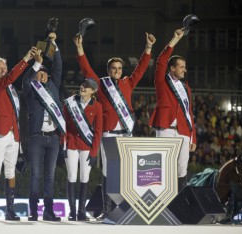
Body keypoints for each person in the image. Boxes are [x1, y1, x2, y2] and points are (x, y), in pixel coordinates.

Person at [74, 33, 156, 220]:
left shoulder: (128, 83)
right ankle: (107, 209)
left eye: (119, 68)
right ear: (109, 70)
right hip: (108, 134)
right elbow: (87, 71)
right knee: (108, 172)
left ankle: (124, 208)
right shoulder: (101, 85)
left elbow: (141, 69)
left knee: (125, 172)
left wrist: (148, 47)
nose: (117, 71)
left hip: (126, 134)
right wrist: (79, 49)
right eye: (113, 68)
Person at [0, 46, 37, 221]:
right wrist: (26, 58)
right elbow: (12, 76)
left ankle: (10, 210)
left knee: (11, 172)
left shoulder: (9, 88)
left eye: (3, 68)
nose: (1, 70)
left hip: (13, 134)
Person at [148, 28, 197, 192]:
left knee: (182, 169)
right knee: (163, 168)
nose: (184, 69)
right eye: (181, 66)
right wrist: (174, 40)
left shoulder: (186, 88)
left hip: (183, 132)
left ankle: (179, 204)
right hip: (166, 130)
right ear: (172, 68)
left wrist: (193, 138)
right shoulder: (162, 82)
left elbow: (189, 114)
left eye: (185, 66)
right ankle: (162, 204)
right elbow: (161, 61)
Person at [22, 32, 63, 222]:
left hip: (54, 138)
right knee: (35, 175)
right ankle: (33, 211)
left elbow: (58, 66)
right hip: (37, 137)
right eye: (40, 73)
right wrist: (36, 64)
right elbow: (26, 81)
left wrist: (53, 43)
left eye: (45, 73)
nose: (43, 76)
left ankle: (48, 211)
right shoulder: (31, 89)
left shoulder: (53, 87)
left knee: (50, 176)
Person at [63, 78, 102, 221]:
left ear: (93, 91)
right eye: (83, 84)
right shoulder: (71, 103)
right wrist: (64, 144)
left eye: (87, 86)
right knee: (71, 176)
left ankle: (81, 211)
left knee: (84, 177)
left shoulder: (97, 106)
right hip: (72, 144)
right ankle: (72, 212)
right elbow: (64, 125)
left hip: (87, 146)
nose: (83, 87)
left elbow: (98, 131)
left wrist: (94, 152)